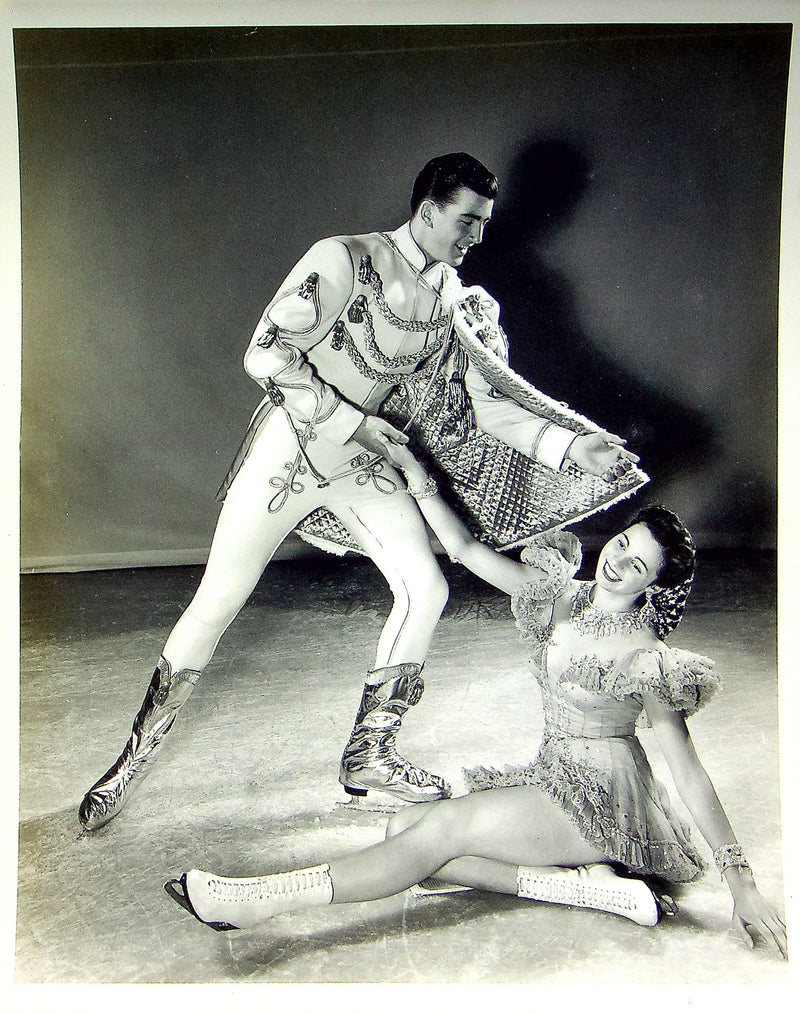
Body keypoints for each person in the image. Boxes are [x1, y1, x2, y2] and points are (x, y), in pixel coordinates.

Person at [79, 152, 640, 831]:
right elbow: (264, 353)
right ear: (427, 208)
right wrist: (355, 423)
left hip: (364, 466)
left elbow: (486, 404)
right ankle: (130, 760)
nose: (475, 238)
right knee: (219, 598)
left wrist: (570, 445)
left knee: (426, 588)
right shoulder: (345, 258)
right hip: (291, 448)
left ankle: (369, 754)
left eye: (485, 225)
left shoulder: (456, 301)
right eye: (465, 220)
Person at [163, 445, 786, 956]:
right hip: (553, 776)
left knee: (440, 833)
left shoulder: (646, 657)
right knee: (403, 827)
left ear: (654, 587)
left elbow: (688, 771)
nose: (619, 563)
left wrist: (743, 882)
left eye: (638, 566)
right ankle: (589, 891)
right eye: (623, 544)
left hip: (603, 803)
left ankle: (258, 902)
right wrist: (419, 482)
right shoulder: (561, 598)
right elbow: (465, 553)